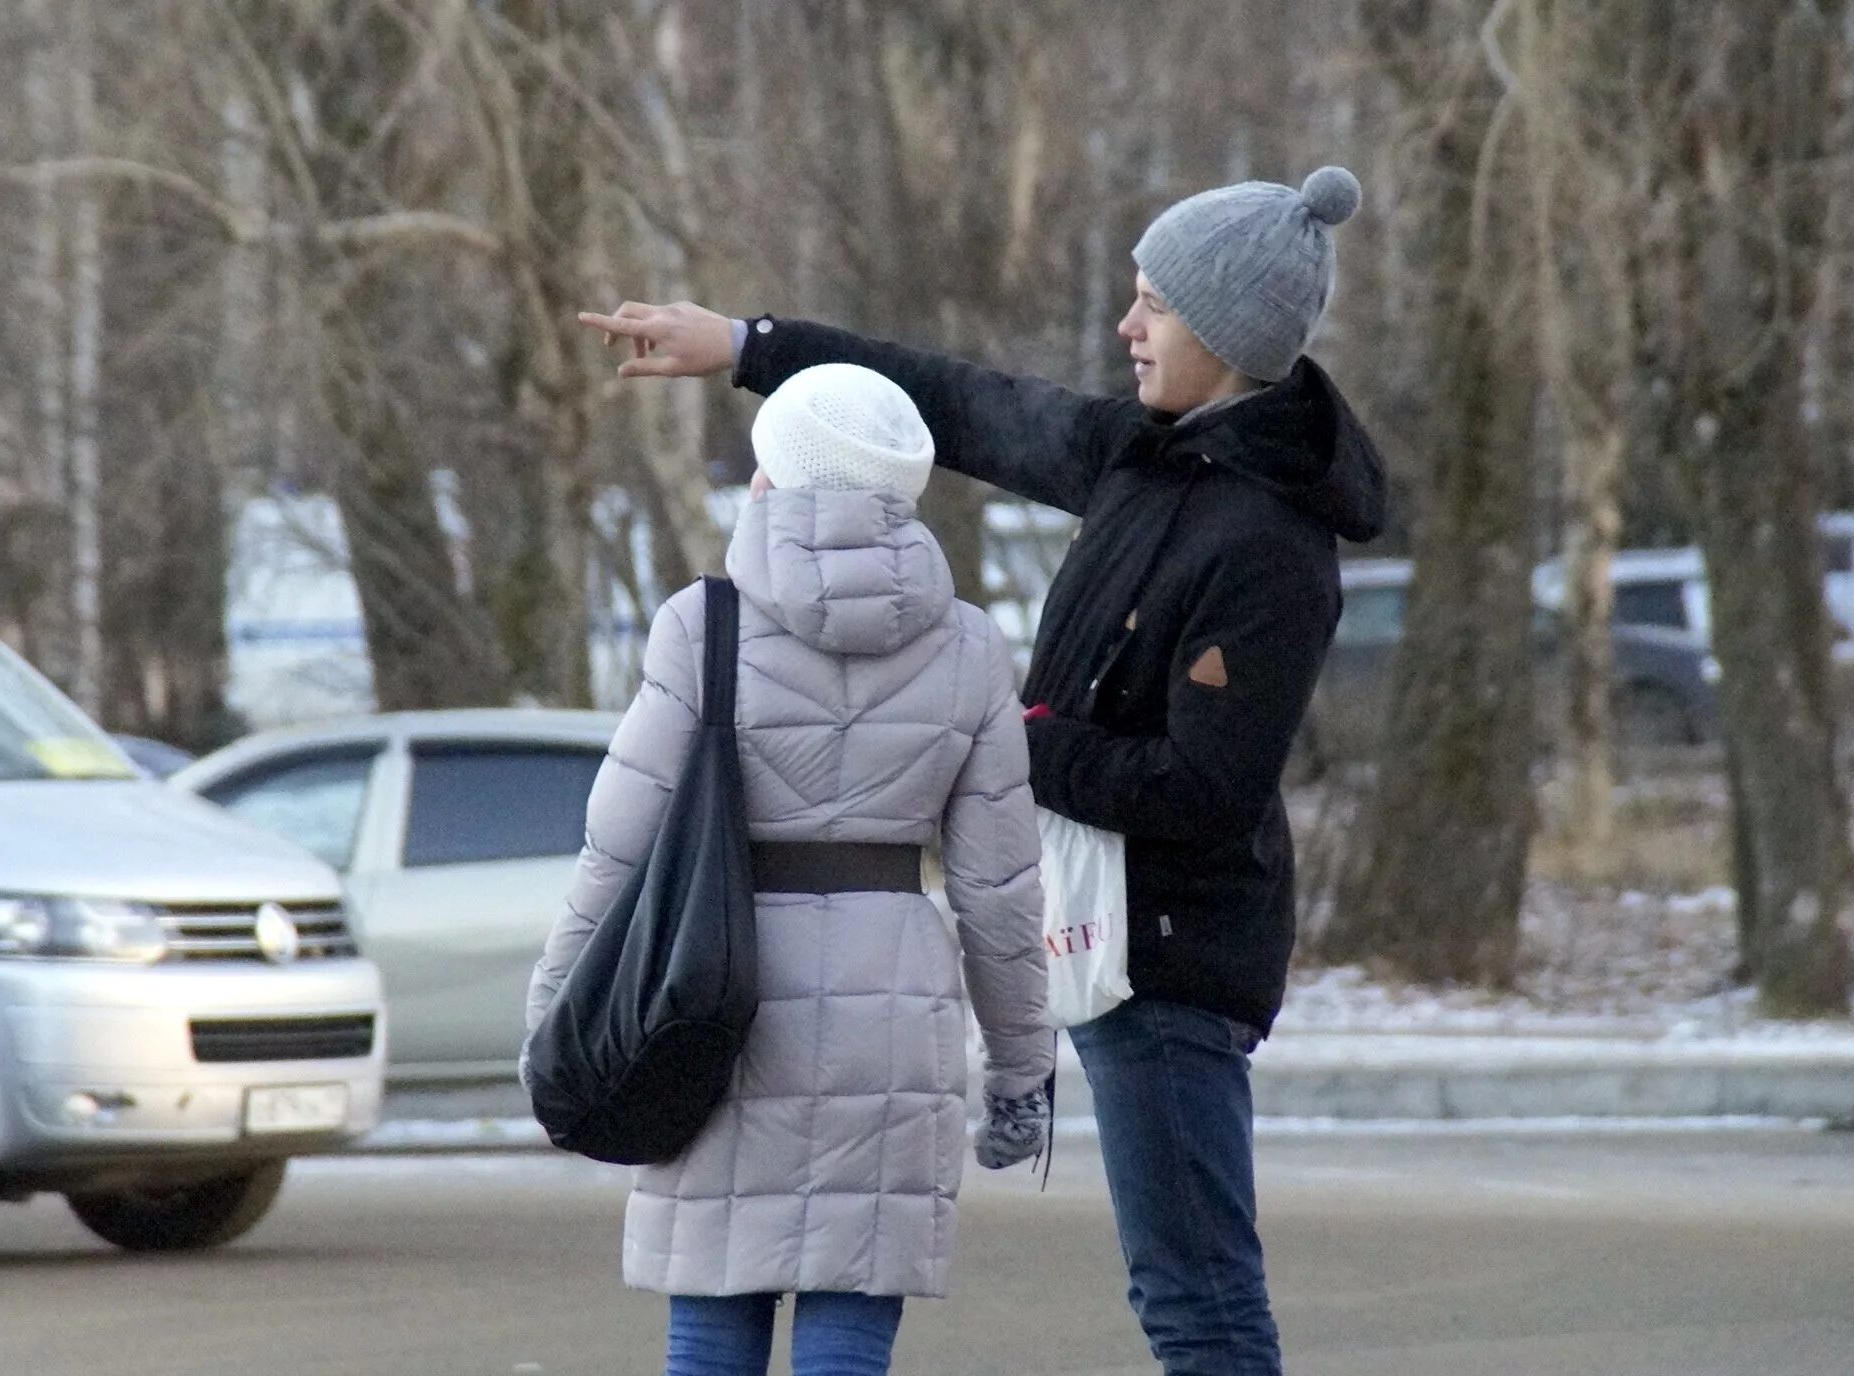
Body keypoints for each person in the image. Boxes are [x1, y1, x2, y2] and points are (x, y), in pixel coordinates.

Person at [580, 166, 1387, 1375]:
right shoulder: (1147, 458)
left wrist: (1006, 731)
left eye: (1153, 305)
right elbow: (961, 402)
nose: (1127, 327)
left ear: (1224, 332)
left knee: (1197, 1298)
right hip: (1104, 933)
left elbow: (1205, 789)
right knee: (1182, 1289)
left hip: (1169, 959)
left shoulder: (1271, 544)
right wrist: (750, 346)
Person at [525, 362, 1054, 1376]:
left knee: (716, 1313)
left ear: (770, 476)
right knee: (850, 1320)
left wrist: (554, 1012)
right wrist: (1023, 1070)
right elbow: (999, 887)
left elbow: (621, 841)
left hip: (719, 995)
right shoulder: (970, 646)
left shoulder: (703, 626)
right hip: (894, 1013)